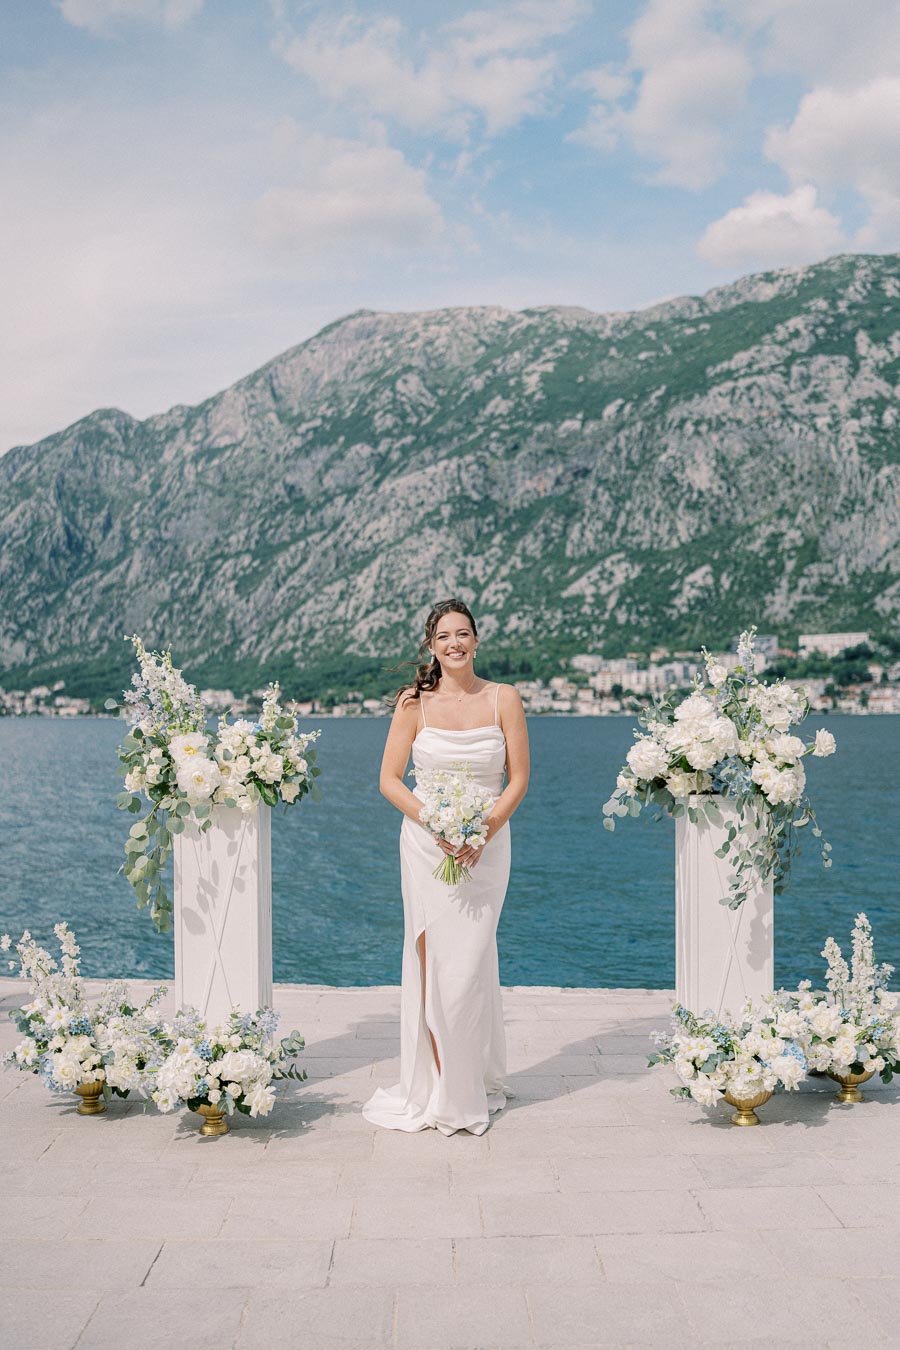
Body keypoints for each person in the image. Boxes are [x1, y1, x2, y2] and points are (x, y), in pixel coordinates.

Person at [362, 598, 530, 1135]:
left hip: (487, 847)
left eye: (463, 634)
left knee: (470, 968)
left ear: (477, 641)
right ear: (431, 646)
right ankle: (442, 1089)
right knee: (437, 969)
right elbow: (390, 780)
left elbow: (518, 780)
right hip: (425, 846)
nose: (454, 643)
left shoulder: (505, 698)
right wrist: (435, 822)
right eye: (443, 637)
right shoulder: (415, 704)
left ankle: (468, 1082)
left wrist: (482, 830)